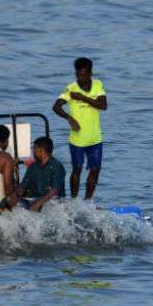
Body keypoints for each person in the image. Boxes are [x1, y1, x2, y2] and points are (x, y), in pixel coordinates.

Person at [52, 57, 108, 201]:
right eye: (78, 74)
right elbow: (56, 107)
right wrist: (69, 118)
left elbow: (103, 106)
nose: (81, 78)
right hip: (77, 140)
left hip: (95, 138)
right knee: (77, 169)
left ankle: (88, 200)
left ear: (90, 73)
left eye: (84, 75)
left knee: (95, 170)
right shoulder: (71, 88)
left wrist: (82, 98)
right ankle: (74, 200)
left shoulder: (98, 85)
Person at [17, 136, 65, 212]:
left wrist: (38, 204)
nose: (33, 152)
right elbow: (23, 187)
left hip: (52, 201)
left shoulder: (57, 166)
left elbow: (55, 190)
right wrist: (12, 196)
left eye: (34, 149)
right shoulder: (33, 167)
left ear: (41, 150)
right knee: (16, 206)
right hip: (34, 199)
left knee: (49, 206)